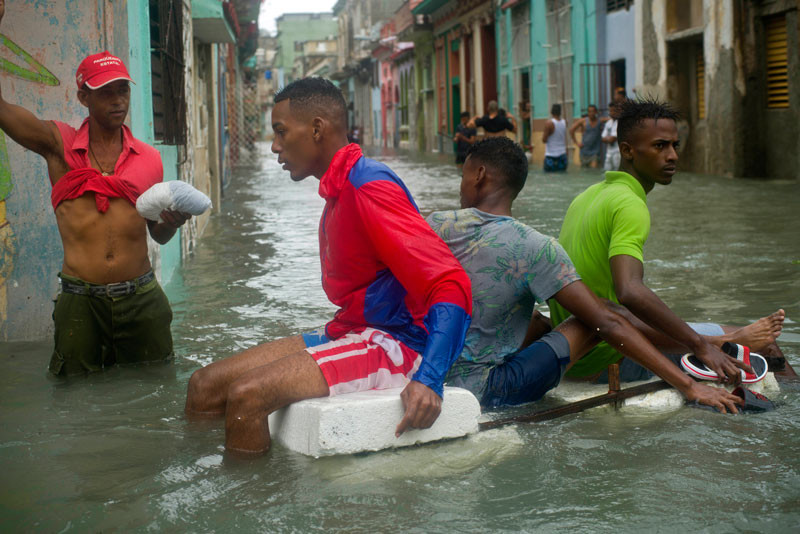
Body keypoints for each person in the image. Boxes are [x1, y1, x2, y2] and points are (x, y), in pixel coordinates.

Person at [184, 77, 473, 455]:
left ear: (317, 128)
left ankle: (251, 505)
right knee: (204, 385)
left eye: (281, 132)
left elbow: (452, 283)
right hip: (352, 330)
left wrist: (430, 379)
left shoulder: (368, 186)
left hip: (397, 344)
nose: (274, 146)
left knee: (246, 396)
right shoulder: (340, 189)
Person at [426, 137, 743, 412]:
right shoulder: (536, 247)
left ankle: (709, 341)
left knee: (537, 320)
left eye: (463, 177)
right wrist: (689, 386)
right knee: (599, 313)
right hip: (492, 389)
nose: (461, 186)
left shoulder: (435, 225)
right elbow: (606, 323)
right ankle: (713, 342)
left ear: (480, 175)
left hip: (431, 373)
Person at [549, 98, 784, 383]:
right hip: (611, 358)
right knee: (767, 345)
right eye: (660, 146)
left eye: (675, 145)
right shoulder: (629, 204)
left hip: (575, 354)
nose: (672, 155)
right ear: (627, 151)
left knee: (733, 338)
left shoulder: (586, 196)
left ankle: (723, 339)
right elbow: (629, 292)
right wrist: (701, 345)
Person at [0, 36, 189, 376]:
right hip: (80, 303)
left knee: (154, 392)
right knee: (75, 400)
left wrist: (173, 223)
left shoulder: (149, 159)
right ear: (83, 97)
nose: (118, 101)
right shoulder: (60, 146)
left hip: (141, 299)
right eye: (106, 92)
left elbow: (156, 235)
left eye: (123, 90)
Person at [569, 104, 604, 168]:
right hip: (584, 151)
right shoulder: (583, 121)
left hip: (595, 152)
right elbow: (571, 130)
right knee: (585, 172)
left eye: (593, 111)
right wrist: (576, 142)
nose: (591, 113)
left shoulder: (599, 121)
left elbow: (610, 119)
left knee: (593, 171)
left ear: (596, 112)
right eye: (589, 111)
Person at [542, 104, 567, 172]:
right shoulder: (564, 122)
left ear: (551, 112)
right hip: (562, 155)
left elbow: (544, 140)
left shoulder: (549, 123)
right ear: (560, 112)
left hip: (551, 156)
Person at [601, 101, 620, 171]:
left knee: (617, 171)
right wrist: (609, 139)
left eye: (613, 111)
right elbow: (602, 138)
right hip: (609, 152)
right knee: (607, 171)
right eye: (610, 110)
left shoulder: (620, 123)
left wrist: (608, 138)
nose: (611, 112)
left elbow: (613, 139)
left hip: (618, 152)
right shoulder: (608, 123)